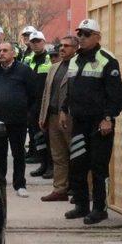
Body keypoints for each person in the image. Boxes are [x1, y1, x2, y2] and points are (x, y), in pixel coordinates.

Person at [61, 19, 122, 224]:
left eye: (86, 34)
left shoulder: (107, 60)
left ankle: (100, 208)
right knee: (78, 164)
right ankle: (81, 205)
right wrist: (64, 109)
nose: (81, 38)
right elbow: (70, 89)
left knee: (98, 167)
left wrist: (108, 118)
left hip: (100, 125)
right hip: (79, 122)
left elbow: (116, 95)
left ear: (97, 37)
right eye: (80, 33)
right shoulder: (75, 59)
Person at [0, 41, 36, 198]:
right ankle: (0, 183)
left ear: (13, 53)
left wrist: (28, 113)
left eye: (5, 50)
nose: (2, 53)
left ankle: (20, 184)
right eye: (0, 50)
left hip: (18, 119)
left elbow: (33, 94)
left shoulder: (24, 71)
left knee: (18, 153)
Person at [39, 36, 78, 201]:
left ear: (76, 49)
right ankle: (60, 189)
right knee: (58, 155)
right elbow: (46, 94)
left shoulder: (78, 67)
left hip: (70, 117)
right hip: (53, 116)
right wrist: (43, 116)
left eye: (67, 46)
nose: (62, 49)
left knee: (76, 154)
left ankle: (81, 190)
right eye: (61, 45)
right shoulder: (54, 68)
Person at [24, 31, 53, 179]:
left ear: (44, 42)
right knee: (37, 137)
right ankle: (43, 163)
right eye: (33, 42)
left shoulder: (50, 58)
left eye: (38, 41)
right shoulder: (28, 59)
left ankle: (51, 165)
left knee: (48, 135)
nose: (35, 44)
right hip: (32, 103)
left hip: (46, 102)